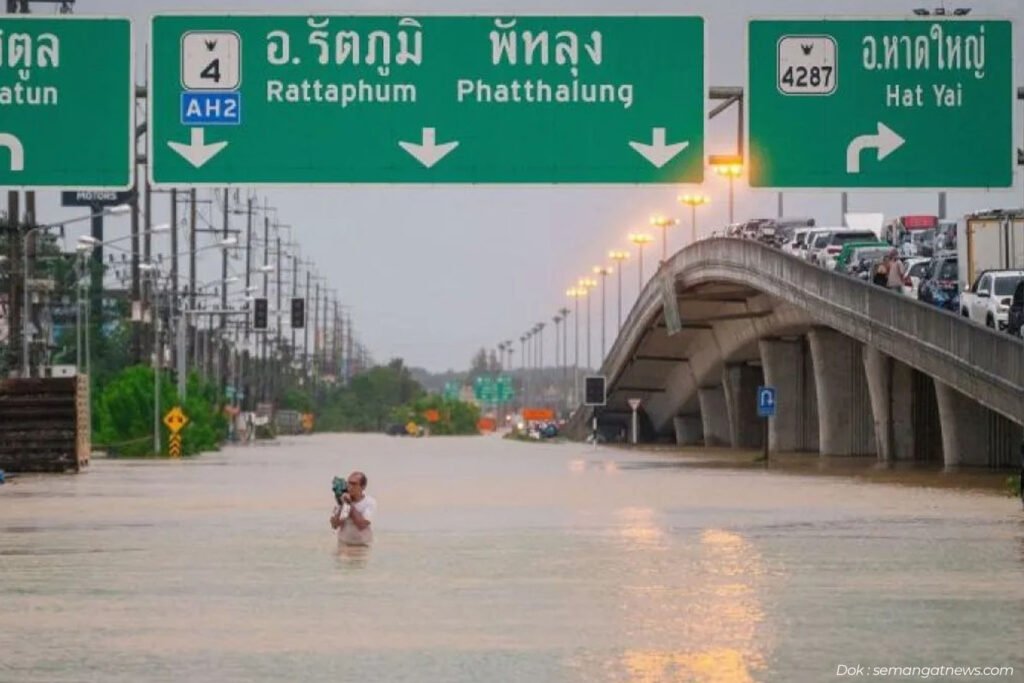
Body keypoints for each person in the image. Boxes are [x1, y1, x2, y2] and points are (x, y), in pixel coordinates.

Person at [330, 471, 376, 546]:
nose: (350, 486)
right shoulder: (342, 499)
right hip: (343, 544)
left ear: (363, 486)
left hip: (362, 545)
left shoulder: (370, 502)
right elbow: (335, 525)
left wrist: (349, 504)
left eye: (354, 484)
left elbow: (362, 525)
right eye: (349, 483)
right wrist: (341, 505)